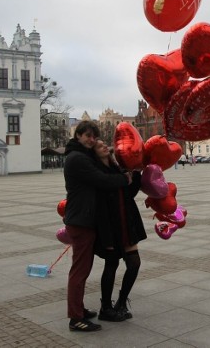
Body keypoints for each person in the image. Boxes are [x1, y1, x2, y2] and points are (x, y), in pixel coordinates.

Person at [63, 121, 132, 332]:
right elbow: (101, 179)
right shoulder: (77, 159)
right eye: (88, 136)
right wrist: (124, 179)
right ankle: (76, 318)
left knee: (83, 269)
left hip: (83, 219)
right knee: (80, 271)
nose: (92, 140)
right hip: (81, 221)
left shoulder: (80, 156)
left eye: (94, 136)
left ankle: (80, 309)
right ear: (78, 136)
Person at [91, 140, 147, 322]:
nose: (104, 147)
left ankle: (121, 302)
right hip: (110, 226)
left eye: (104, 145)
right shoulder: (97, 173)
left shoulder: (116, 168)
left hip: (127, 222)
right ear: (95, 154)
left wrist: (137, 173)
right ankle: (105, 307)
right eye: (99, 147)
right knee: (111, 265)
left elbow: (128, 193)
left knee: (134, 264)